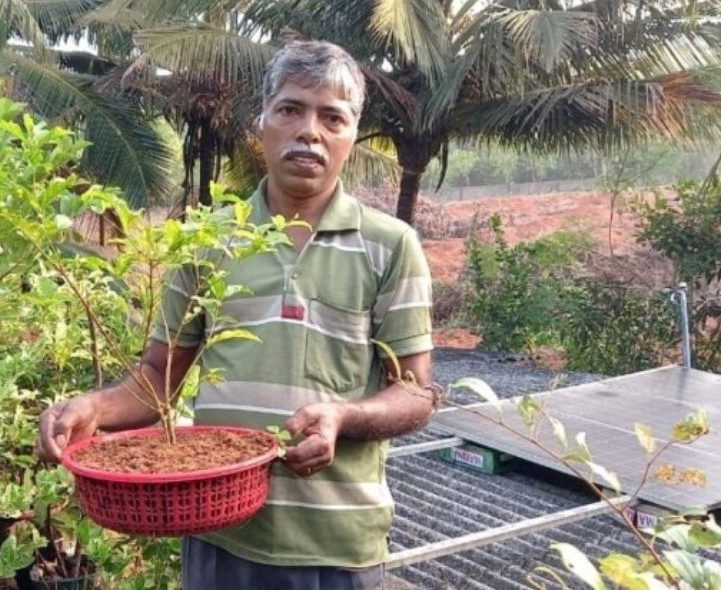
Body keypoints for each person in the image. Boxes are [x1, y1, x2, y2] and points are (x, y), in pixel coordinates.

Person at [37, 40, 437, 590]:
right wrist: (93, 408)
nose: (309, 132)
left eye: (333, 118)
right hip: (221, 537)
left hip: (338, 547)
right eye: (291, 109)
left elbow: (415, 393)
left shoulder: (391, 246)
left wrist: (343, 417)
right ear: (264, 120)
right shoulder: (207, 242)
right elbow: (158, 377)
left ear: (352, 134)